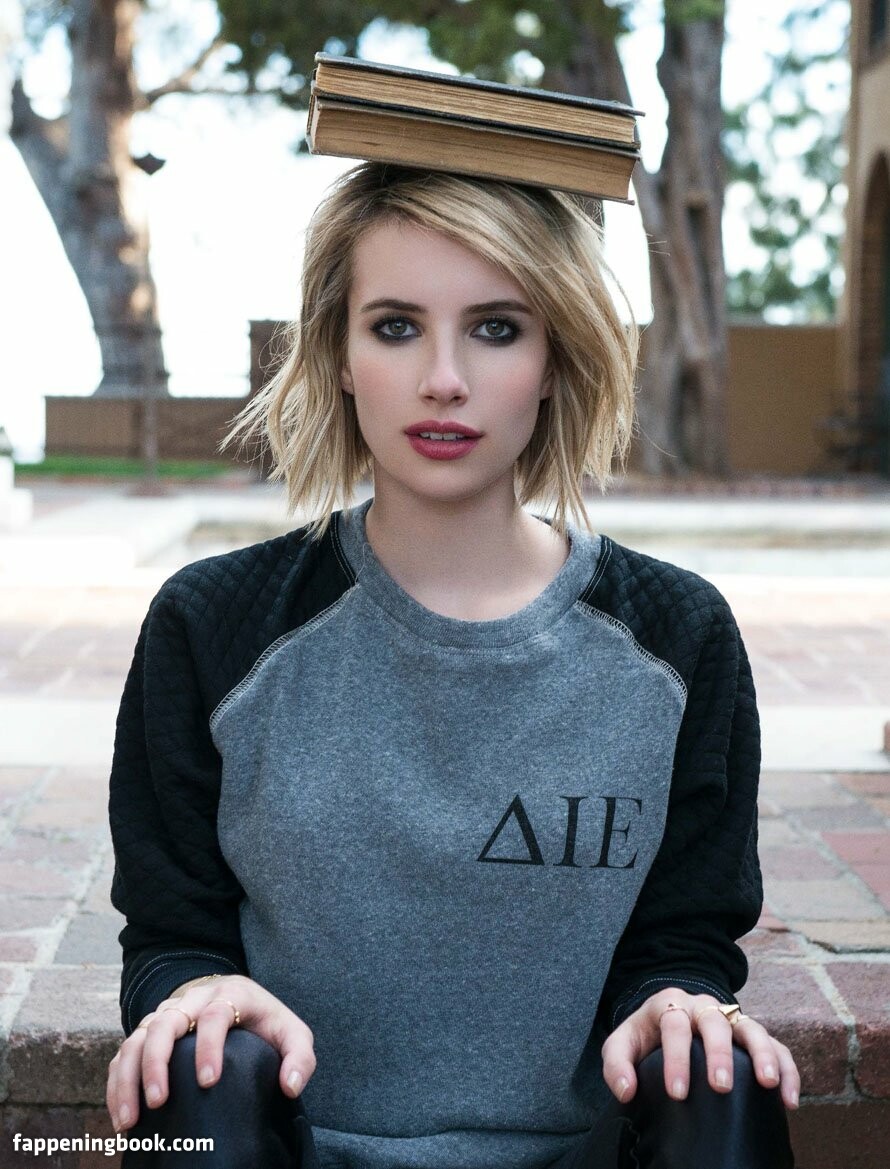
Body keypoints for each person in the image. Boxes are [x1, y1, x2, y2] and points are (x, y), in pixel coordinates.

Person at [106, 160, 799, 1169]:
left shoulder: (678, 636)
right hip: (280, 1142)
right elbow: (171, 933)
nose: (443, 378)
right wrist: (192, 989)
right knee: (194, 1069)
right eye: (395, 326)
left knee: (724, 1081)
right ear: (339, 355)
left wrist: (680, 1001)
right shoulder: (212, 624)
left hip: (589, 1150)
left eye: (495, 328)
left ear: (554, 358)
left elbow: (683, 938)